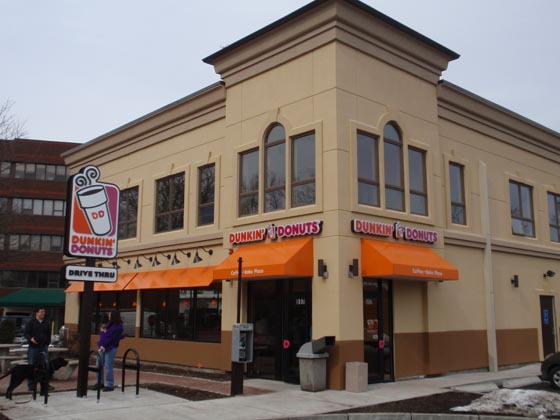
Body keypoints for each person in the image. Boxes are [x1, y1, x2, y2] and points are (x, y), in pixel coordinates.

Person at [23, 307, 52, 391]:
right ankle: (31, 385)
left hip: (43, 347)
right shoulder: (31, 322)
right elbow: (26, 333)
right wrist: (31, 339)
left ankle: (45, 384)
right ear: (37, 313)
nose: (43, 313)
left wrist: (47, 343)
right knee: (32, 365)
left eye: (44, 312)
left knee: (44, 366)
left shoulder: (46, 323)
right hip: (33, 348)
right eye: (41, 312)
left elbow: (48, 334)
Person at [96, 310, 125, 392]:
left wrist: (104, 346)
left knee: (108, 366)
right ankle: (99, 382)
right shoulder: (109, 325)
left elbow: (113, 339)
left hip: (111, 348)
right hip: (103, 346)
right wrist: (103, 331)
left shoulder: (118, 327)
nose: (108, 316)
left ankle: (110, 384)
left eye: (110, 315)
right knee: (98, 364)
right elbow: (104, 335)